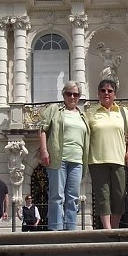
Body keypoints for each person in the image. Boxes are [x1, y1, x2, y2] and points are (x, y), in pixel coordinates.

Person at [39, 81, 90, 231]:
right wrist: (44, 150)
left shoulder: (83, 116)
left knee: (73, 197)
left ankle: (71, 228)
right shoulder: (55, 110)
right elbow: (43, 130)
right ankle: (55, 228)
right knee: (57, 196)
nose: (72, 97)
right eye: (69, 94)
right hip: (58, 158)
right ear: (63, 95)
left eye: (76, 94)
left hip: (77, 160)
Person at [87, 79, 128, 229]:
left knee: (119, 194)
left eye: (110, 91)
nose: (106, 93)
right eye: (103, 90)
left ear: (115, 94)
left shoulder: (123, 112)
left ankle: (115, 228)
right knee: (102, 195)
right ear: (98, 94)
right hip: (97, 160)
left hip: (119, 159)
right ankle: (107, 229)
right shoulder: (90, 113)